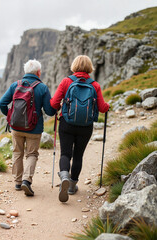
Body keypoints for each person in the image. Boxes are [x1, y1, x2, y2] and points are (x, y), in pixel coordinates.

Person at [50, 55, 110, 202]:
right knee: (78, 155)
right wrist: (108, 106)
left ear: (74, 66)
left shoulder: (66, 81)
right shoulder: (94, 85)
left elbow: (53, 104)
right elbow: (102, 108)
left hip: (66, 124)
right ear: (89, 67)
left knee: (65, 154)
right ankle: (72, 186)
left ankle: (64, 175)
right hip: (85, 126)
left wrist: (58, 106)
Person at [0, 59, 56, 196]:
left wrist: (10, 116)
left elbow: (2, 103)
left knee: (17, 152)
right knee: (32, 154)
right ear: (38, 72)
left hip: (16, 128)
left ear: (25, 72)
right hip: (34, 129)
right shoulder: (42, 88)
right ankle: (26, 180)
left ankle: (18, 182)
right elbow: (49, 111)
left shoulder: (15, 85)